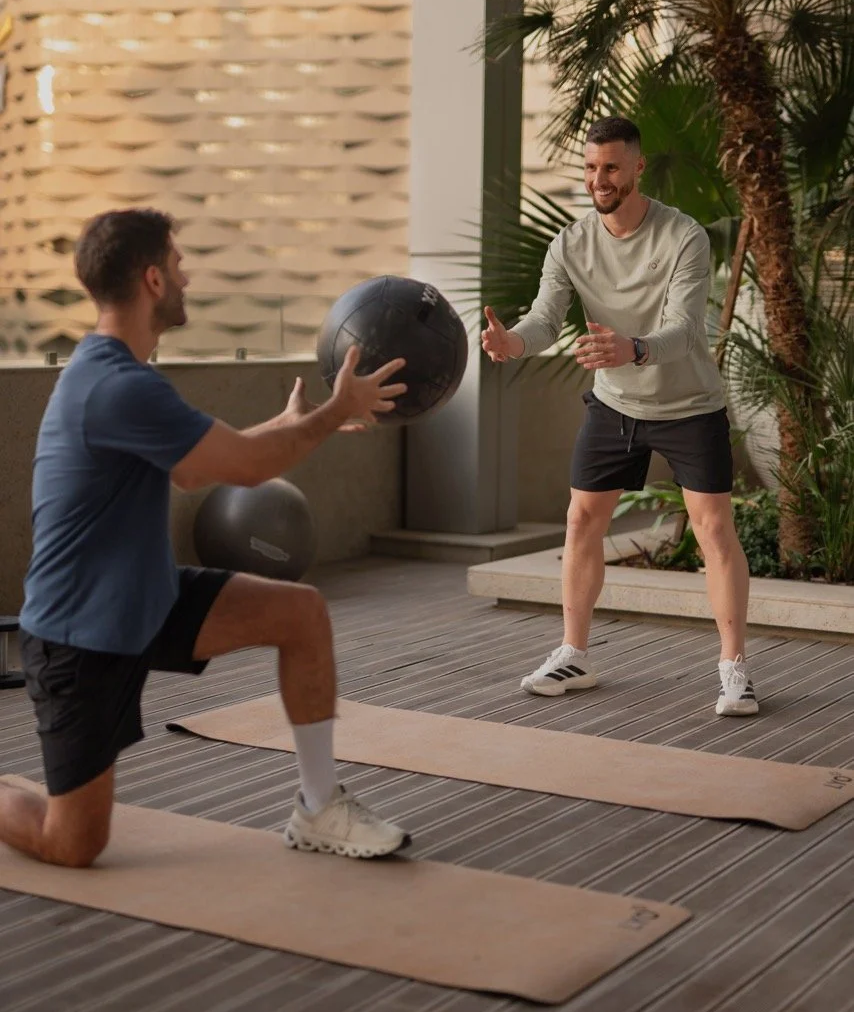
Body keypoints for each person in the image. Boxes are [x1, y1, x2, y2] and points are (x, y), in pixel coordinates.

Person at [0, 207, 411, 868]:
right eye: (180, 263)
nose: (187, 276)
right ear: (154, 279)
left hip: (145, 600)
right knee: (71, 842)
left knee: (299, 613)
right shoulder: (115, 385)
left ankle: (318, 806)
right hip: (79, 636)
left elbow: (196, 469)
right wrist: (337, 409)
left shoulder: (119, 376)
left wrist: (293, 425)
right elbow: (246, 469)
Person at [481, 116, 758, 718]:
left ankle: (734, 670)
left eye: (610, 167)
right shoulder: (570, 243)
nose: (598, 178)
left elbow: (685, 330)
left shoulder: (683, 236)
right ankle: (573, 653)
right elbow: (545, 319)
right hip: (615, 404)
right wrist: (513, 344)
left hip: (689, 406)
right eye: (589, 167)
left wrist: (633, 348)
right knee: (582, 520)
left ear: (637, 167)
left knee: (712, 531)